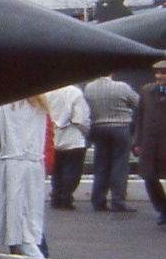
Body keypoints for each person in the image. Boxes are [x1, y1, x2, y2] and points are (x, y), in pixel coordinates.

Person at [0, 96, 49, 257]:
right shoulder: (39, 104)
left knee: (16, 224)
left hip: (9, 163)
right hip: (34, 164)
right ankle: (22, 256)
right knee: (28, 220)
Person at [83, 73, 138, 213]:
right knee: (120, 165)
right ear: (111, 73)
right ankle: (117, 201)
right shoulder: (121, 87)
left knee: (101, 165)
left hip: (98, 128)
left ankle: (98, 200)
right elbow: (137, 102)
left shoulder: (89, 88)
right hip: (121, 128)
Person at [45, 83, 91, 210]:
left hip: (53, 136)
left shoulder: (47, 92)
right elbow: (81, 117)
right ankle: (66, 197)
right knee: (72, 170)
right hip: (73, 138)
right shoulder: (75, 93)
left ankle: (56, 196)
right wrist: (86, 131)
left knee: (57, 170)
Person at [133, 60, 166, 227]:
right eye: (158, 73)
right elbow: (139, 117)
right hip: (150, 143)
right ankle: (162, 209)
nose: (159, 76)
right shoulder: (147, 91)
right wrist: (137, 141)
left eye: (163, 73)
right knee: (149, 177)